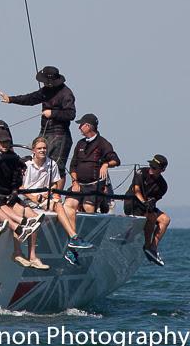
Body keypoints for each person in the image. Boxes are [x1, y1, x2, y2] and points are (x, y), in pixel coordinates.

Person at [0, 66, 76, 189]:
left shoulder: (66, 93)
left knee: (57, 167)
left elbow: (71, 114)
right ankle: (36, 192)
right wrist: (11, 99)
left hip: (60, 134)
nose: (43, 83)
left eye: (45, 81)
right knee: (36, 158)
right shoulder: (46, 90)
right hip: (45, 131)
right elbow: (31, 98)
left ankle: (55, 197)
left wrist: (53, 113)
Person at [61, 113, 120, 265]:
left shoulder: (103, 143)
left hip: (94, 185)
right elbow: (72, 165)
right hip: (78, 184)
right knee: (68, 206)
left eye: (81, 124)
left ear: (88, 126)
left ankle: (84, 246)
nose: (79, 127)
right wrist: (74, 181)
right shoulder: (80, 143)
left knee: (88, 209)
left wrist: (106, 164)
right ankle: (73, 240)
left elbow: (116, 160)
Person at [0, 130, 44, 250]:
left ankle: (24, 226)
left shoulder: (12, 157)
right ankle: (21, 224)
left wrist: (14, 190)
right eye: (3, 142)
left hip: (2, 194)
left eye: (7, 142)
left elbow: (16, 176)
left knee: (1, 202)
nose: (6, 145)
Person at [15, 137, 60, 270]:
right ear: (33, 150)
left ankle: (72, 238)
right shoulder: (25, 163)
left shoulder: (52, 164)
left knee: (59, 206)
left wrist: (47, 195)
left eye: (44, 148)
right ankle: (19, 252)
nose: (42, 150)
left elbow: (55, 183)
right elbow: (19, 186)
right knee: (29, 218)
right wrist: (33, 198)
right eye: (39, 148)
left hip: (44, 198)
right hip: (25, 198)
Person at [124, 154, 170, 266]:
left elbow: (154, 200)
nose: (151, 169)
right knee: (151, 216)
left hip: (147, 206)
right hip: (133, 203)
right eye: (151, 166)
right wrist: (144, 202)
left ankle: (153, 248)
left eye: (154, 168)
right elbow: (136, 190)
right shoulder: (141, 172)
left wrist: (149, 203)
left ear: (162, 170)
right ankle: (147, 246)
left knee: (165, 219)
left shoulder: (163, 186)